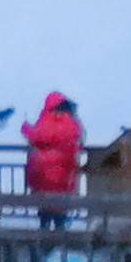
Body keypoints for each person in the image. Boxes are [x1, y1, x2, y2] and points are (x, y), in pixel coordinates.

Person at [24, 93, 86, 227]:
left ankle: (44, 241)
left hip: (43, 174)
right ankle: (60, 239)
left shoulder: (46, 121)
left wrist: (26, 129)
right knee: (60, 210)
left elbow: (37, 136)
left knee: (45, 210)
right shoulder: (73, 124)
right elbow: (79, 142)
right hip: (65, 173)